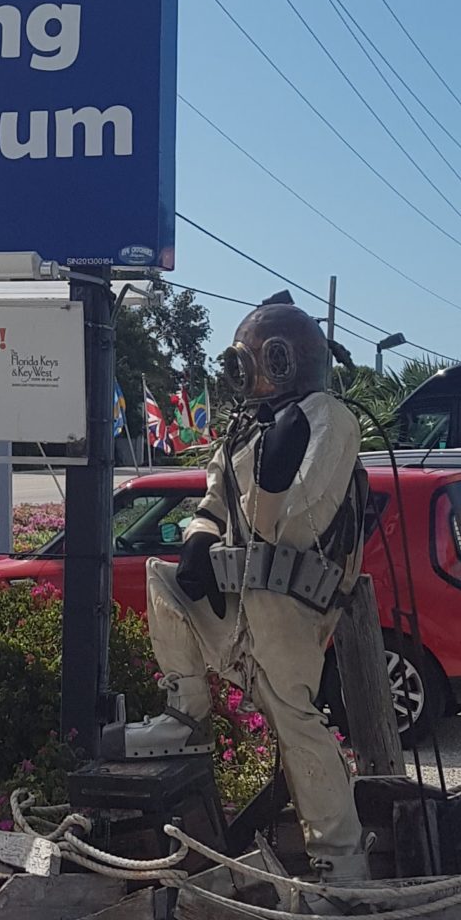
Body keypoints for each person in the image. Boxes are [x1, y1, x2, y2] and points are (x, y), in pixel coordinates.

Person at [109, 294, 368, 881]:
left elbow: (298, 523)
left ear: (290, 358)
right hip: (235, 603)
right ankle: (185, 714)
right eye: (242, 359)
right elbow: (214, 500)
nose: (250, 370)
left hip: (288, 609)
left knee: (297, 723)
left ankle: (341, 860)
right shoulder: (247, 430)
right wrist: (200, 534)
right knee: (163, 581)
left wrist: (271, 487)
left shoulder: (328, 418)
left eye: (264, 357)